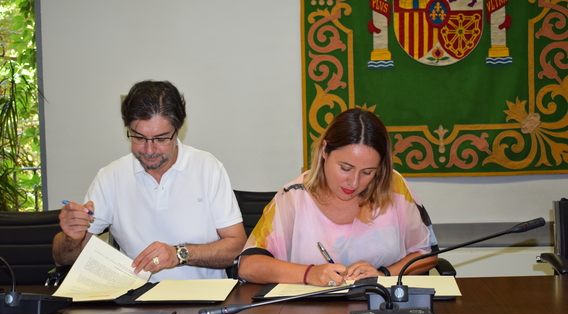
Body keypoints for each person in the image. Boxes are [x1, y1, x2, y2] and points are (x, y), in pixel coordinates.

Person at [52, 80, 247, 281]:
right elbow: (63, 259)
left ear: (177, 131)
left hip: (204, 302)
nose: (149, 150)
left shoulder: (208, 168)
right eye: (139, 138)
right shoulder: (111, 176)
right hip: (137, 302)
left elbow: (237, 247)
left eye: (161, 139)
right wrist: (71, 237)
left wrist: (179, 254)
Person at [237, 108, 438, 287]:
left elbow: (426, 254)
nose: (354, 182)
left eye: (368, 172)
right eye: (345, 168)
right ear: (325, 150)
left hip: (379, 308)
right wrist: (308, 273)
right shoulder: (294, 196)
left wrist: (383, 274)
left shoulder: (394, 187)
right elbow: (249, 265)